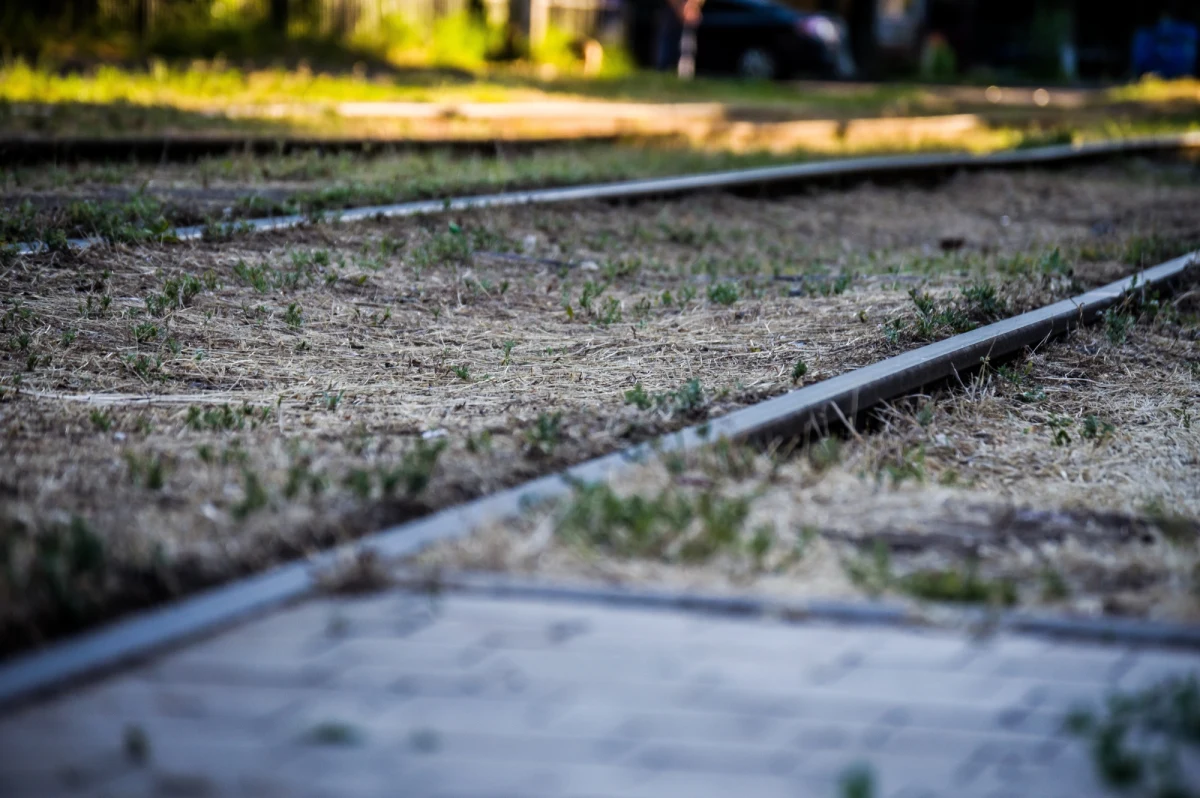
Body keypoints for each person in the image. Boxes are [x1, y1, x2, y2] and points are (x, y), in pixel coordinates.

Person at [1132, 4, 1198, 79]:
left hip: (1183, 76)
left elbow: (1186, 60)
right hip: (1151, 76)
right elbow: (1141, 63)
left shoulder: (1188, 31)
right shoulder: (1144, 35)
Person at [656, 0, 704, 77]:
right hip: (672, 8)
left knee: (688, 42)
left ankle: (686, 73)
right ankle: (664, 69)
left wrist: (692, 6)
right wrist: (680, 9)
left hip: (691, 10)